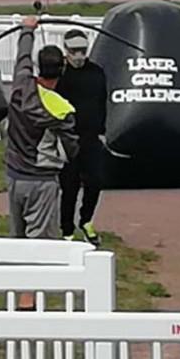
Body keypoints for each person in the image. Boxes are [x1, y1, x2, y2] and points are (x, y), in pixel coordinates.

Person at [5, 17, 79, 304]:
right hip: (41, 181)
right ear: (61, 70)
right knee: (40, 244)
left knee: (18, 238)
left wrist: (28, 29)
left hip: (13, 178)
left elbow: (22, 57)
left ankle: (20, 295)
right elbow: (71, 149)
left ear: (38, 67)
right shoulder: (61, 108)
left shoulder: (21, 85)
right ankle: (28, 301)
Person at [56, 29, 108, 244]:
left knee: (95, 181)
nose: (79, 56)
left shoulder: (96, 72)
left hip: (92, 136)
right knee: (69, 185)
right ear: (66, 50)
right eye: (74, 51)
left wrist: (102, 131)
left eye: (83, 51)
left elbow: (102, 102)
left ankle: (86, 220)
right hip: (68, 138)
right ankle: (67, 230)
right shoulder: (61, 74)